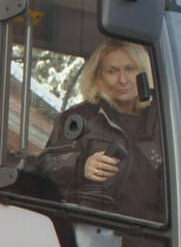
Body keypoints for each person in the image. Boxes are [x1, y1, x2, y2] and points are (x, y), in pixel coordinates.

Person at [39, 38, 163, 219]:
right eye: (112, 71)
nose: (123, 80)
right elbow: (46, 166)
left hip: (154, 230)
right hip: (97, 228)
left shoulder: (165, 121)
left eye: (130, 69)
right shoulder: (80, 118)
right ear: (98, 77)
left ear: (144, 72)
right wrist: (82, 166)